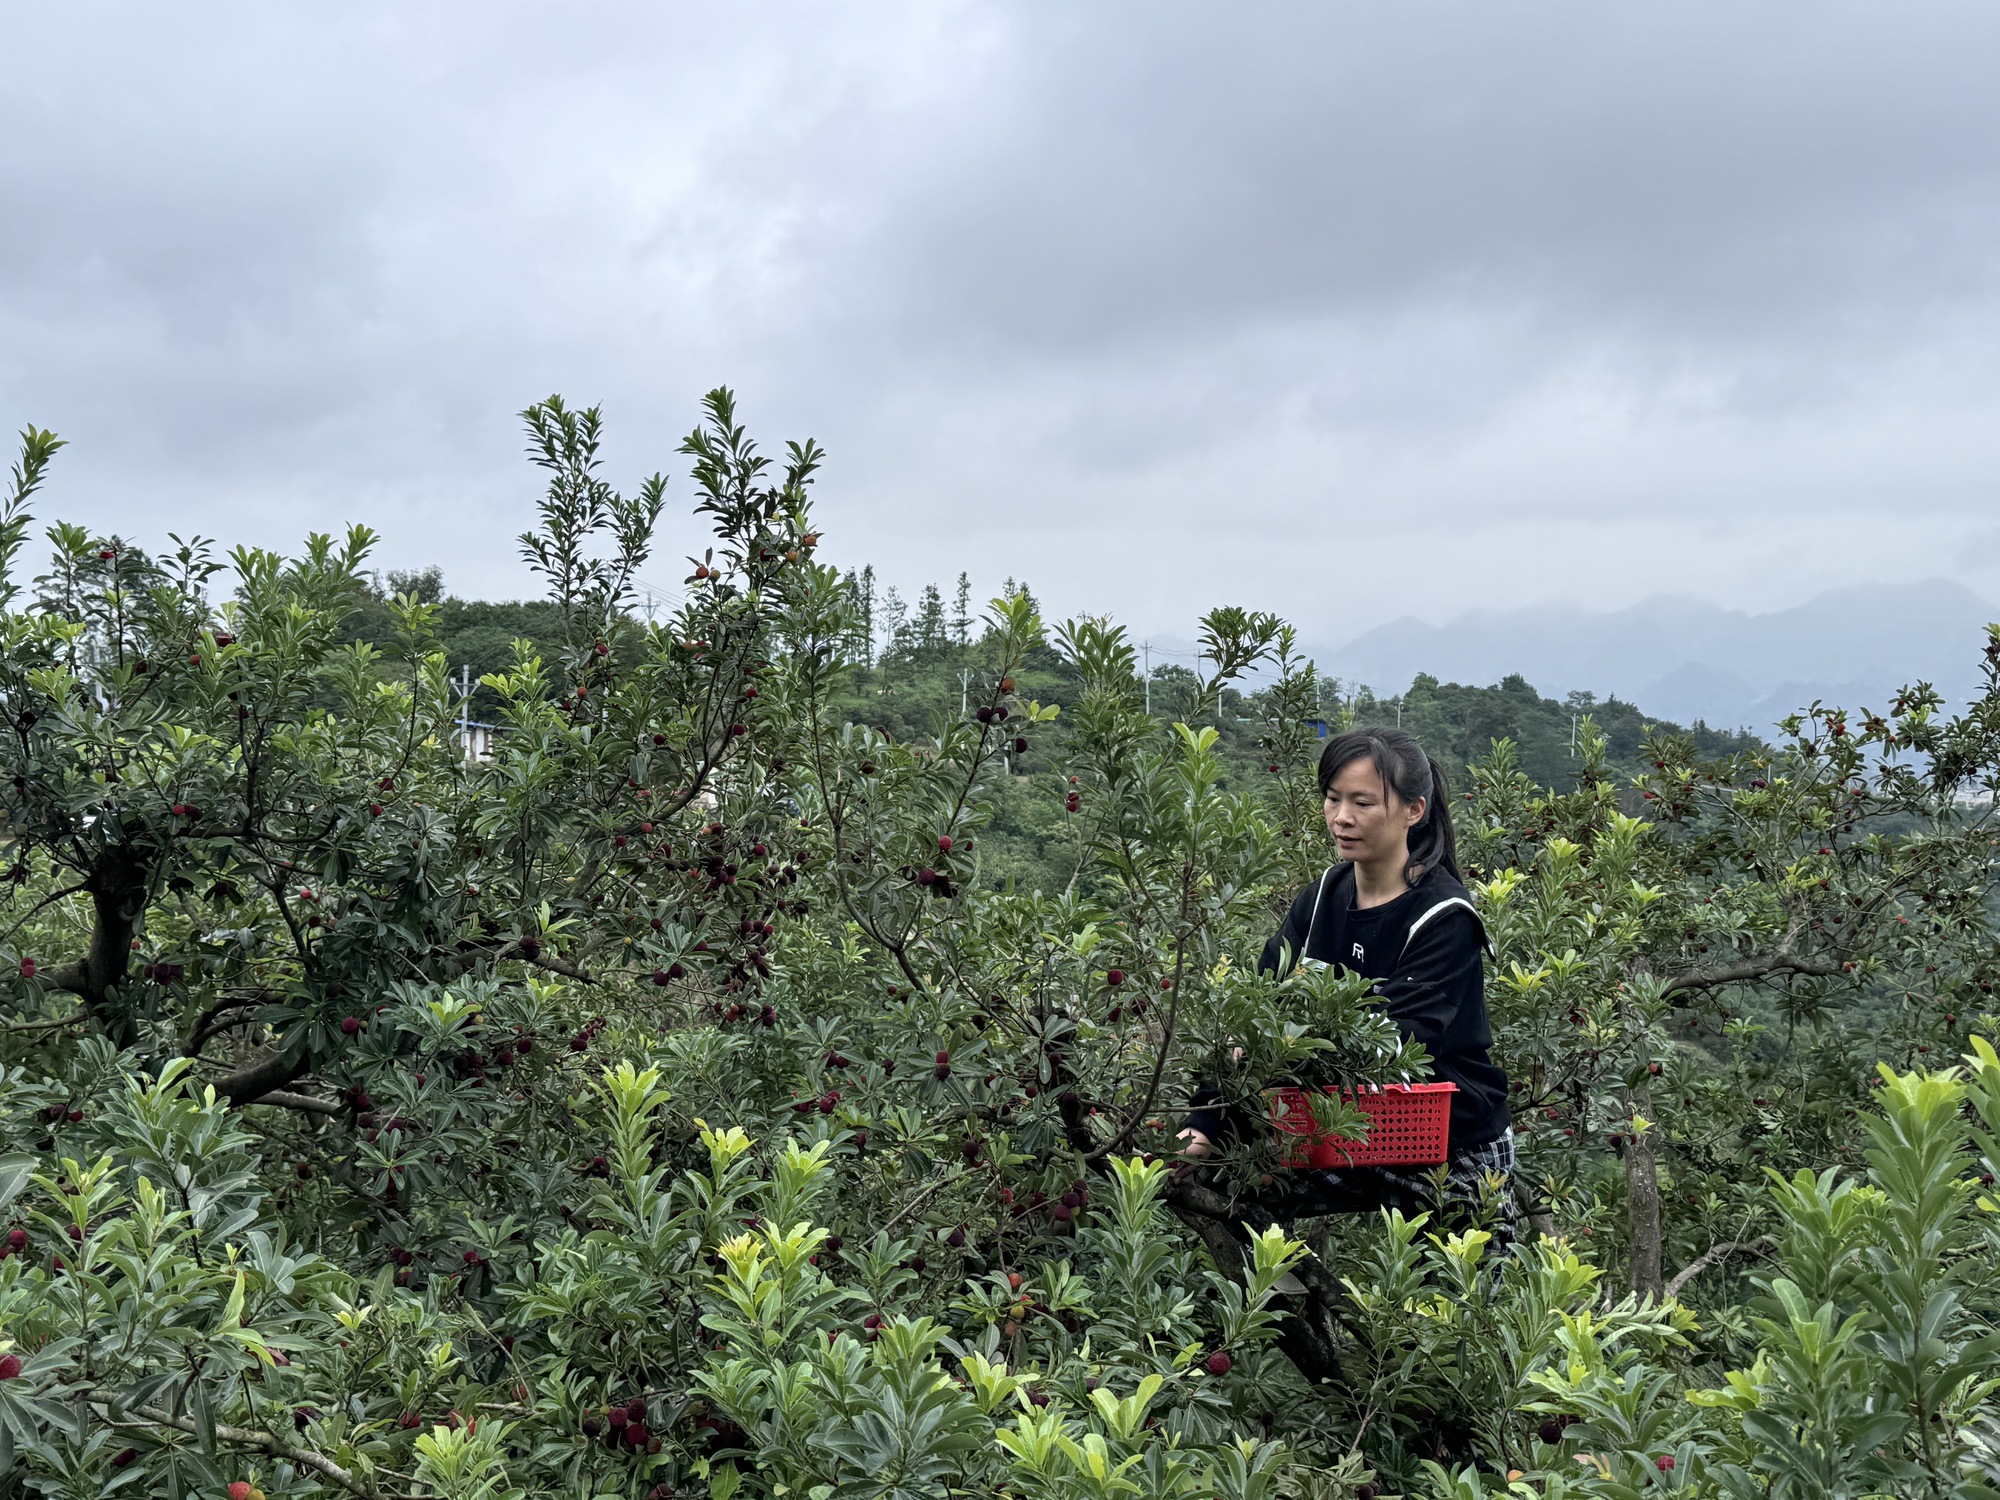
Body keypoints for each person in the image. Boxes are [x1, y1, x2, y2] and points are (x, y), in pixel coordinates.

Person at [1179, 726, 1515, 1240]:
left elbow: (1391, 1042)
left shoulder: (1444, 917)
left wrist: (1272, 1051)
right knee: (1234, 1187)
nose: (1341, 818)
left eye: (1362, 802)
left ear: (1414, 811)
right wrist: (1205, 1123)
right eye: (1333, 799)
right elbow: (1254, 1007)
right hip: (1350, 1130)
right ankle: (1285, 1310)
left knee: (1466, 1304)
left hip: (1450, 1142)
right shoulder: (1323, 898)